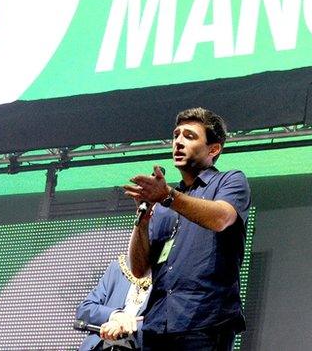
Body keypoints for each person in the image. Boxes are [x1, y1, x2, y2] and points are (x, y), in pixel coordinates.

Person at [125, 107, 251, 351]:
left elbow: (221, 218)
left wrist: (168, 196)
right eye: (176, 135)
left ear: (213, 149)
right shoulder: (163, 205)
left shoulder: (230, 181)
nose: (179, 142)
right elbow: (139, 269)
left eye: (190, 136)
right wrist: (142, 219)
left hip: (205, 323)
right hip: (157, 325)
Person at [76, 254, 151, 351]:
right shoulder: (120, 267)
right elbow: (84, 309)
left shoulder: (169, 275)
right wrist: (115, 315)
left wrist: (127, 325)